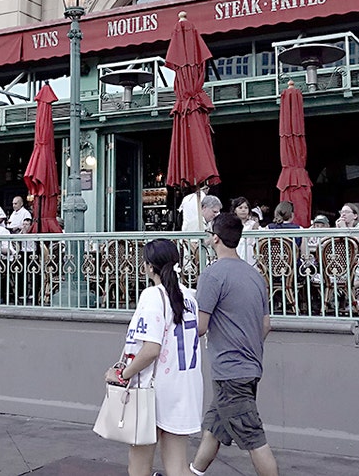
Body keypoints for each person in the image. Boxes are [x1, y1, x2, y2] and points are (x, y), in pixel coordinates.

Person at [188, 213, 278, 476]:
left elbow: (201, 326)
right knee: (215, 427)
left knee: (253, 438)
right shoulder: (254, 275)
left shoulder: (212, 275)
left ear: (215, 238)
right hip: (249, 366)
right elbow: (266, 325)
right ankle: (193, 472)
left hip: (230, 370)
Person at [105, 239, 203, 476]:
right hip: (185, 387)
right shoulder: (189, 296)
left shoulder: (153, 295)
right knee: (178, 467)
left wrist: (121, 375)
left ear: (149, 266)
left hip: (154, 391)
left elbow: (150, 349)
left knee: (139, 466)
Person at [231, 197, 260, 266]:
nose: (243, 210)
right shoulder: (231, 224)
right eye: (240, 208)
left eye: (246, 208)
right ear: (235, 210)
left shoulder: (253, 224)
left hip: (250, 255)